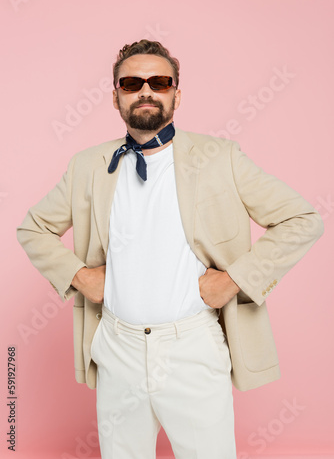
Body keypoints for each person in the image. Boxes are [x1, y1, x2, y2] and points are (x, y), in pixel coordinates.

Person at [17, 39, 324, 459]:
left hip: (192, 349)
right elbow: (33, 228)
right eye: (131, 82)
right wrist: (79, 276)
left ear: (176, 93)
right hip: (116, 349)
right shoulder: (88, 165)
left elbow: (302, 219)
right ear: (115, 96)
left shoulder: (221, 157)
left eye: (159, 82)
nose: (146, 91)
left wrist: (236, 280)